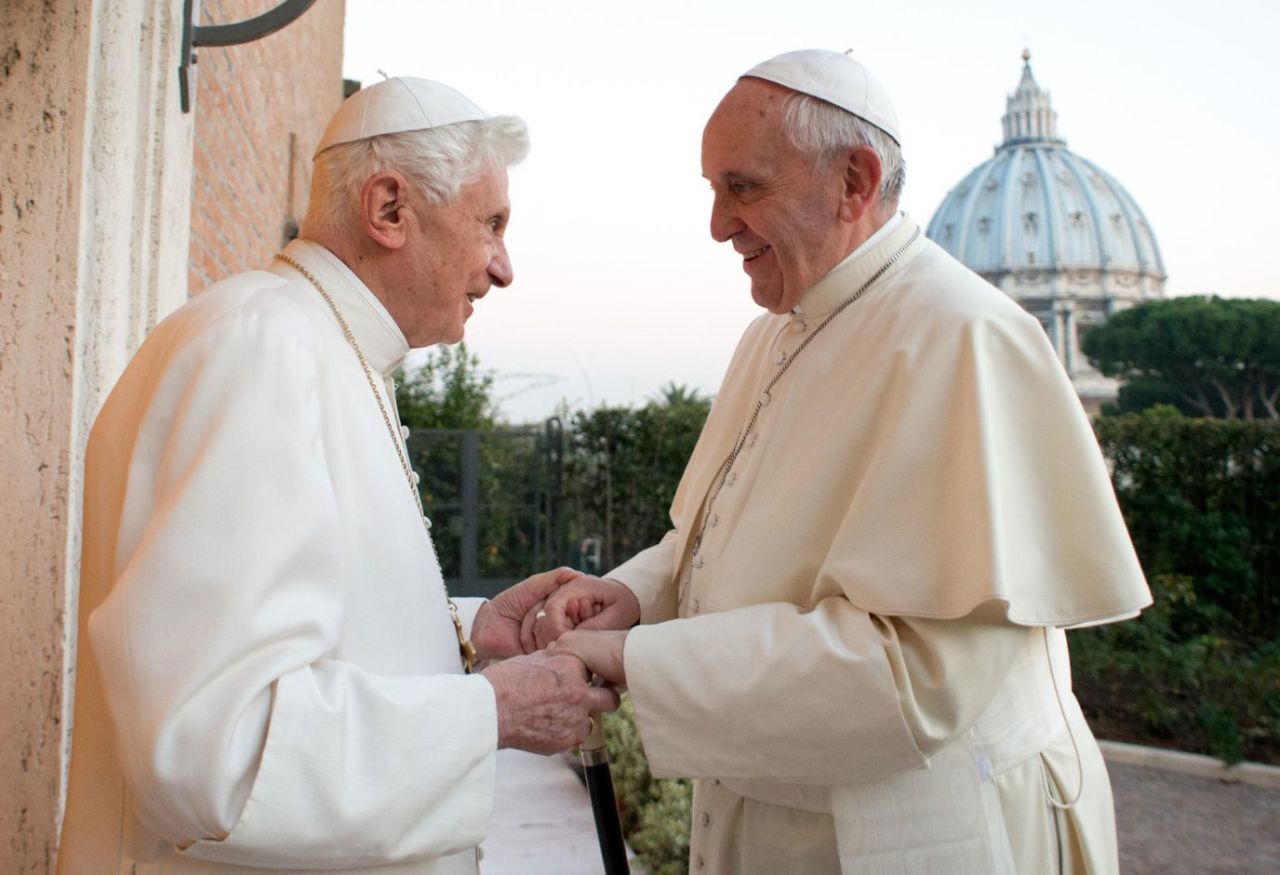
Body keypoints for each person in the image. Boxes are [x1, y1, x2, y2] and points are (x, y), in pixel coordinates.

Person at [532, 50, 1152, 874]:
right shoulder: (775, 333)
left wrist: (632, 660)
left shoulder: (963, 338)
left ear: (854, 181)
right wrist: (634, 598)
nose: (718, 224)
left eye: (743, 187)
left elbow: (916, 674)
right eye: (713, 190)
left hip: (916, 831)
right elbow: (719, 538)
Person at [57, 76, 618, 875]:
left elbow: (312, 629)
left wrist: (470, 633)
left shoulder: (319, 348)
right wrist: (492, 711)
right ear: (389, 209)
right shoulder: (264, 351)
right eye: (490, 223)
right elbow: (215, 752)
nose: (503, 267)